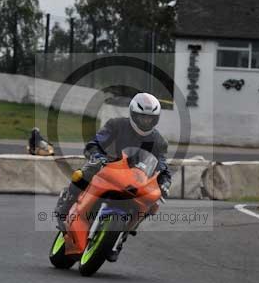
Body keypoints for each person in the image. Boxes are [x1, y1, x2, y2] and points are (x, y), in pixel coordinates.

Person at [54, 92, 172, 231]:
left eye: (150, 119)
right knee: (86, 172)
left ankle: (125, 233)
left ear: (156, 119)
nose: (146, 121)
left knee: (152, 204)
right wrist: (97, 156)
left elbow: (162, 165)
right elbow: (94, 143)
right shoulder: (116, 125)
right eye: (142, 117)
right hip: (108, 166)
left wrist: (165, 182)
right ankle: (65, 205)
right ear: (133, 114)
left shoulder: (159, 141)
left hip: (136, 179)